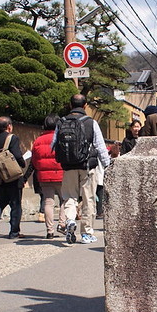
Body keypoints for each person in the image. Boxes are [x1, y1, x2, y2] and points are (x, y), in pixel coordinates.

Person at [52, 94, 111, 244]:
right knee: (88, 199)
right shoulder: (90, 122)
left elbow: (54, 144)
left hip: (68, 167)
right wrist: (108, 165)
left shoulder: (62, 122)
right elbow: (100, 146)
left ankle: (70, 219)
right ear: (85, 106)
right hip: (87, 166)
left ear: (70, 105)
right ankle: (86, 233)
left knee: (70, 197)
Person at [0, 116, 26, 239]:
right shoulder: (12, 138)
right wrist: (22, 163)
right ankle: (14, 232)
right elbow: (17, 155)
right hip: (13, 177)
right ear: (9, 126)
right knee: (15, 204)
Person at [30, 114, 65, 239]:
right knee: (64, 200)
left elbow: (34, 160)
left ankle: (49, 231)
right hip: (61, 174)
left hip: (44, 176)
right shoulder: (61, 138)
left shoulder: (38, 140)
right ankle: (62, 224)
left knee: (48, 202)